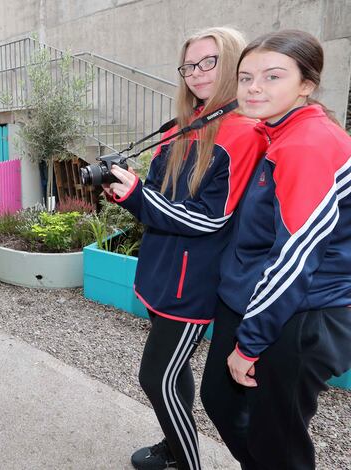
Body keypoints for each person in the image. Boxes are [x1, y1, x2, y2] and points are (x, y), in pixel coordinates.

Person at [103, 27, 266, 470]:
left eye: (208, 62)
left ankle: (187, 462)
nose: (196, 74)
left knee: (155, 378)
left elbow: (208, 219)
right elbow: (157, 195)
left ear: (232, 63)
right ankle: (175, 447)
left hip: (192, 285)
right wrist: (125, 188)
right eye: (189, 66)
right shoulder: (183, 125)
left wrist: (137, 193)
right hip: (160, 272)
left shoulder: (243, 133)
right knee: (176, 375)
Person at [200, 30, 351, 470]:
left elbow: (296, 257)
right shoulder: (279, 134)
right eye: (245, 77)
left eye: (272, 76)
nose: (254, 88)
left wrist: (249, 343)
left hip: (300, 317)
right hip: (267, 307)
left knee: (278, 443)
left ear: (306, 84)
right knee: (226, 407)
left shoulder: (310, 144)